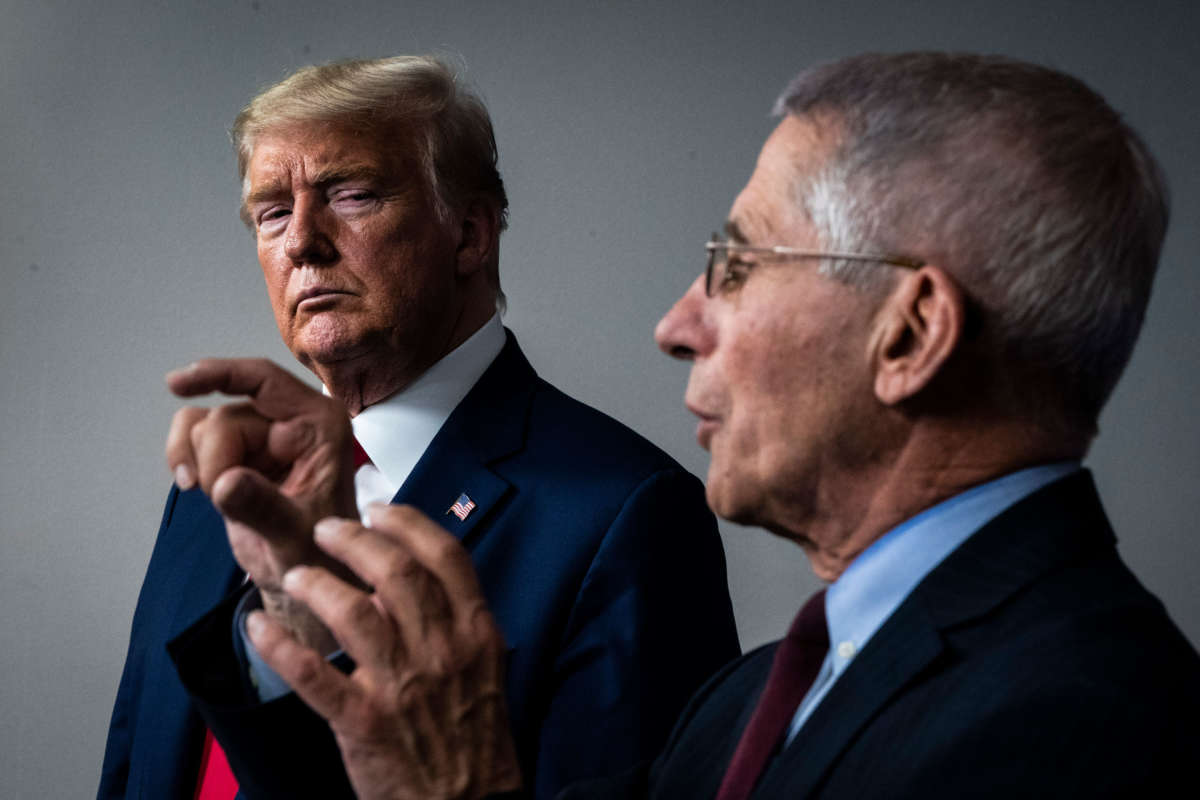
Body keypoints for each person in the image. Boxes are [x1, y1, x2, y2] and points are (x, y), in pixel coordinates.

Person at [242, 52, 1200, 799]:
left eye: (737, 265)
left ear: (909, 334)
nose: (678, 325)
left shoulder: (1089, 726)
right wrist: (298, 624)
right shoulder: (749, 703)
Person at [97, 56, 739, 800]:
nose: (302, 241)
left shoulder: (628, 515)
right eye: (273, 212)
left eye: (353, 195)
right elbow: (132, 767)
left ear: (469, 233)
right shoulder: (224, 487)